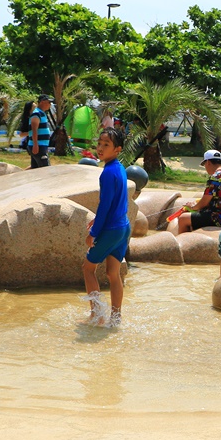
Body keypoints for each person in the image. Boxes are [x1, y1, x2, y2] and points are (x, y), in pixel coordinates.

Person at [81, 127, 130, 327]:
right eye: (99, 143)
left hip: (110, 230)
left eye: (106, 145)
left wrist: (93, 232)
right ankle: (115, 317)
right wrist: (99, 219)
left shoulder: (107, 173)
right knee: (112, 273)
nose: (100, 148)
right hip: (123, 228)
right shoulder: (119, 168)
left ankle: (97, 315)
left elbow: (105, 204)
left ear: (117, 149)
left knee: (88, 269)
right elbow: (118, 202)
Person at [177, 150, 221, 233]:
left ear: (208, 162)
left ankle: (181, 244)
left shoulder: (215, 177)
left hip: (218, 217)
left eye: (204, 165)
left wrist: (192, 207)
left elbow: (204, 202)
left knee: (183, 219)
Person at [28, 94, 53, 169]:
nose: (50, 104)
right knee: (45, 169)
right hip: (39, 146)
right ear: (42, 102)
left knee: (35, 169)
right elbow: (34, 130)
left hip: (42, 145)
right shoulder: (36, 113)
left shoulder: (42, 113)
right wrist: (35, 144)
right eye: (48, 102)